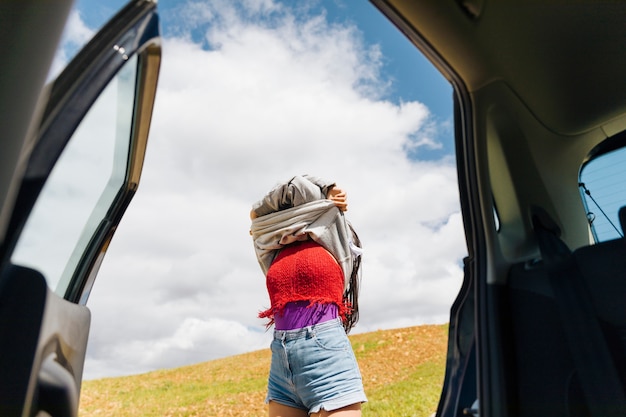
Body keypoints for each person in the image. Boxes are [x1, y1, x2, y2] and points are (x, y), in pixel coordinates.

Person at [250, 174, 366, 417]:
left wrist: (328, 187)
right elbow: (262, 207)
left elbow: (300, 186)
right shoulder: (271, 246)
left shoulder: (332, 231)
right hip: (282, 359)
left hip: (327, 357)